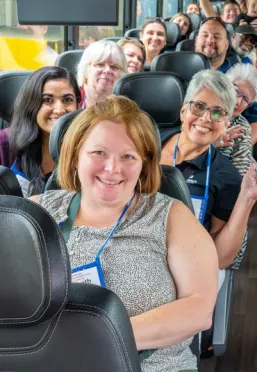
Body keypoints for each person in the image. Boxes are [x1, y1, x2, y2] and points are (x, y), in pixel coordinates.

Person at [29, 96, 218, 372]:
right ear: (75, 155)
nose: (112, 169)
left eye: (128, 156)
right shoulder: (35, 216)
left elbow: (199, 309)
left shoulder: (172, 218)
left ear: (143, 164)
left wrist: (99, 336)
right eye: (99, 153)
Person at [160, 70, 257, 277]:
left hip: (186, 266)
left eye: (218, 112)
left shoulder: (227, 177)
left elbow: (221, 258)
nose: (206, 118)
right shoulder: (145, 147)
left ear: (227, 123)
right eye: (198, 106)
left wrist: (246, 199)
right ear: (183, 111)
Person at [195, 17, 257, 146]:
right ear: (196, 40)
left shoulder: (242, 71)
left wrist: (241, 148)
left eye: (217, 37)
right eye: (205, 35)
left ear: (227, 44)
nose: (210, 40)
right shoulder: (179, 68)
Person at [0, 67, 81, 196]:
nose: (59, 110)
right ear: (31, 104)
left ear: (78, 104)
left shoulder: (85, 148)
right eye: (48, 100)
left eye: (67, 100)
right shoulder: (3, 144)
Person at [221, 63, 257, 176]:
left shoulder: (242, 127)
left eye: (245, 100)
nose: (237, 102)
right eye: (236, 91)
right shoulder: (202, 112)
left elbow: (239, 174)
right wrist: (212, 143)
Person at [76, 39, 128, 109]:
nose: (107, 70)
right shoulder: (71, 100)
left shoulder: (127, 109)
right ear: (85, 70)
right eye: (100, 64)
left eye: (114, 67)